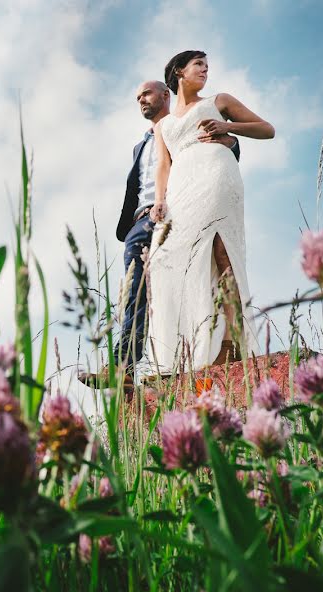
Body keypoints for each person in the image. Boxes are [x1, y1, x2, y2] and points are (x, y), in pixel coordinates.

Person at [80, 79, 239, 389]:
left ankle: (193, 356)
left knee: (189, 281)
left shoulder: (184, 122)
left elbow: (223, 146)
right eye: (137, 96)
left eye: (146, 93)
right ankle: (123, 367)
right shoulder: (141, 144)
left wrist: (231, 142)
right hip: (141, 221)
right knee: (136, 292)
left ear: (166, 95)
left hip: (183, 209)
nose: (141, 99)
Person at [143, 50, 273, 374]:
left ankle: (232, 341)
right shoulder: (164, 126)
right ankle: (185, 348)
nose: (205, 69)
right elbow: (163, 164)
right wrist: (160, 199)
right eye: (198, 64)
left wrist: (227, 126)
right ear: (179, 72)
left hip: (216, 175)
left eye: (207, 65)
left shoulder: (219, 100)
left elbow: (266, 129)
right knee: (164, 261)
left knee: (220, 249)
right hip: (181, 188)